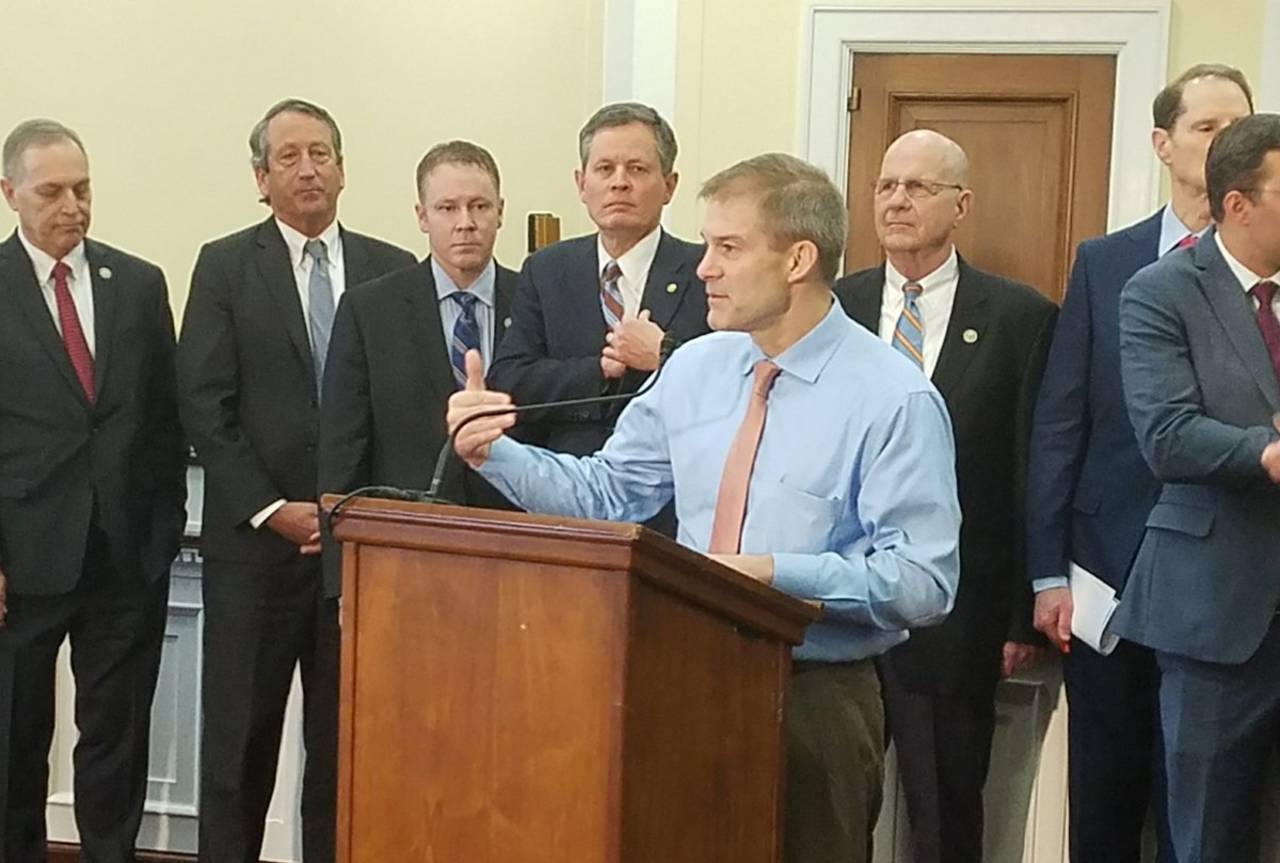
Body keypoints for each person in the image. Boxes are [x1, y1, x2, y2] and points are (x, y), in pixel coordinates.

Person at [450, 153, 960, 863]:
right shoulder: (694, 367)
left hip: (813, 699)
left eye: (728, 248)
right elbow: (608, 495)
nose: (703, 269)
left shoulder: (893, 398)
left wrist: (773, 575)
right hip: (677, 678)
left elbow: (924, 582)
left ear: (798, 259)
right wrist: (494, 454)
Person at [176, 98, 414, 863]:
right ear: (261, 177)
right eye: (289, 157)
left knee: (344, 748)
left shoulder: (390, 269)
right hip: (256, 553)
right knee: (238, 747)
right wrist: (273, 507)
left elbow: (399, 408)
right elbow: (204, 403)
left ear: (342, 169)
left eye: (322, 154)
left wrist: (356, 512)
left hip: (357, 554)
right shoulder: (224, 265)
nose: (308, 169)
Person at [1025, 63, 1252, 863]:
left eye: (1239, 127)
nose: (1225, 143)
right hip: (1107, 575)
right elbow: (1062, 422)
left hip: (1226, 586)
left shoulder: (1264, 267)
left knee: (1203, 813)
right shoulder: (1105, 261)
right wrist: (1047, 572)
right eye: (1207, 127)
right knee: (1105, 801)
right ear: (1163, 144)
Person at [835, 129, 1056, 863]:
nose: (897, 201)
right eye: (885, 185)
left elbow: (1029, 468)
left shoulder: (1020, 317)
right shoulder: (833, 306)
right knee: (830, 805)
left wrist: (1021, 611)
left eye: (918, 187)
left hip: (956, 612)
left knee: (946, 811)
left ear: (961, 206)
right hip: (838, 601)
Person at [0, 119, 186, 862]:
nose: (72, 206)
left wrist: (163, 532)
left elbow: (165, 418)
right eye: (51, 192)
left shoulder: (137, 284)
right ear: (10, 193)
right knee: (15, 738)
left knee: (117, 737)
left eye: (82, 189)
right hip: (23, 558)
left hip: (126, 556)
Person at [1115, 111, 1280, 863]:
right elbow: (1167, 433)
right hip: (1215, 614)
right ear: (1238, 203)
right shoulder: (1161, 292)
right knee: (1208, 836)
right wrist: (1266, 452)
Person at [487, 102, 709, 536]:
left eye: (637, 169)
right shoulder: (547, 270)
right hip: (562, 511)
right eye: (605, 168)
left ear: (669, 185)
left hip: (673, 516)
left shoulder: (704, 272)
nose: (619, 182)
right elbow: (511, 381)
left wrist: (663, 355)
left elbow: (734, 384)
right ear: (581, 183)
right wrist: (598, 372)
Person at [317, 140, 519, 594]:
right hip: (403, 558)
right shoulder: (370, 311)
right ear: (422, 216)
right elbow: (343, 454)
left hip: (515, 553)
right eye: (447, 208)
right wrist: (343, 584)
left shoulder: (534, 302)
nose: (465, 222)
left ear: (500, 212)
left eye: (479, 206)